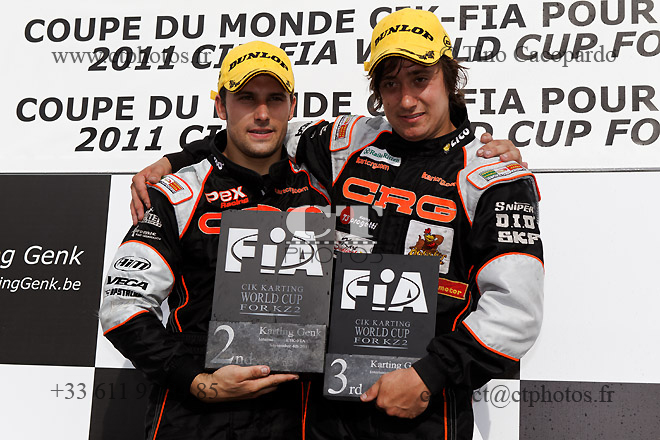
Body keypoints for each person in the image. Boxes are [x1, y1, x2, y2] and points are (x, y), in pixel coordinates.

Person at [128, 9, 542, 440]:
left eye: (421, 79)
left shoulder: (493, 176)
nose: (406, 100)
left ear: (450, 77)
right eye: (390, 84)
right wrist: (176, 159)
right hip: (321, 412)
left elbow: (517, 311)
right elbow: (259, 131)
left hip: (419, 409)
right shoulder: (350, 141)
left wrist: (430, 375)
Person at [99, 41, 331, 440]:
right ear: (221, 106)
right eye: (246, 98)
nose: (262, 113)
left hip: (302, 414)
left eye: (275, 99)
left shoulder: (325, 183)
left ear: (292, 106)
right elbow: (122, 308)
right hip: (198, 415)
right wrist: (197, 382)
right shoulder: (179, 193)